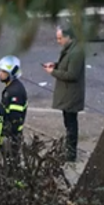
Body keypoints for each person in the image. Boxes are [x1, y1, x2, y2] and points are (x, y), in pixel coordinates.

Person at [43, 25, 85, 162]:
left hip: (71, 95)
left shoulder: (76, 52)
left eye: (60, 38)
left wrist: (53, 72)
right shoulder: (70, 50)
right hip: (67, 93)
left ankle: (71, 152)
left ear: (69, 37)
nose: (58, 41)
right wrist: (55, 65)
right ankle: (69, 150)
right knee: (69, 122)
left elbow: (72, 74)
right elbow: (68, 65)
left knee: (71, 123)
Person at [0, 55, 27, 161]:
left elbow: (15, 117)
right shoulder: (11, 88)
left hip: (12, 134)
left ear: (11, 73)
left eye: (3, 72)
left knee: (11, 160)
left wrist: (7, 134)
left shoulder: (15, 92)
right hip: (10, 134)